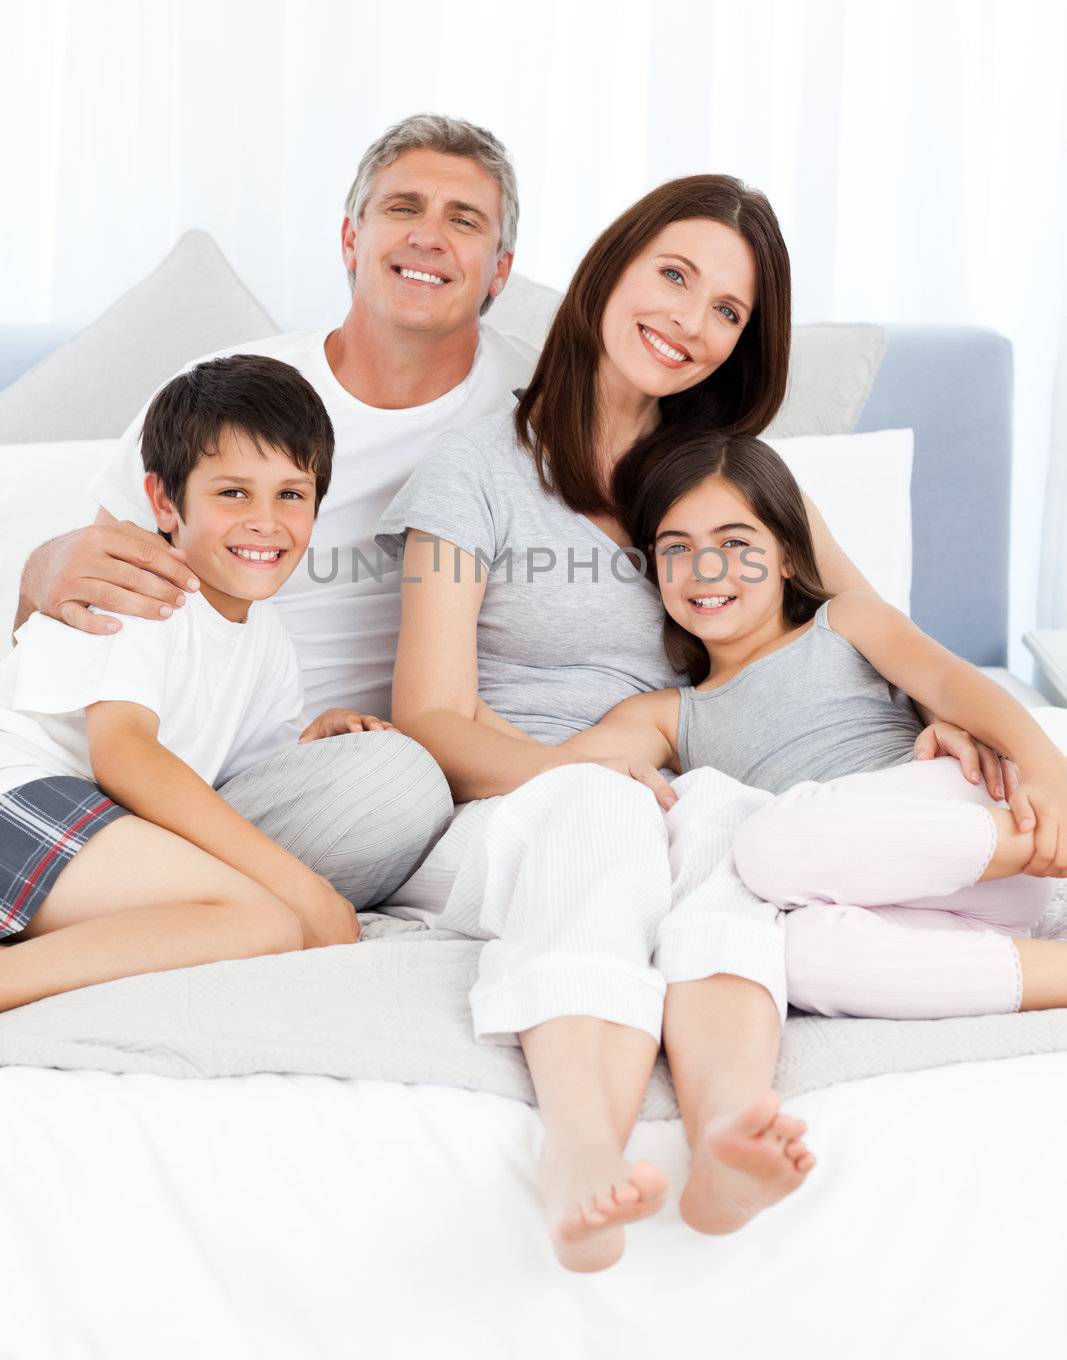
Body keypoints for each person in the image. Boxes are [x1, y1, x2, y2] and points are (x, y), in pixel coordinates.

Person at [368, 173, 1010, 1273]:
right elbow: (427, 714)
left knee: (729, 823)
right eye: (674, 274)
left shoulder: (723, 478)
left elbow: (858, 623)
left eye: (728, 311)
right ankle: (578, 1152)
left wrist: (940, 726)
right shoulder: (472, 467)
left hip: (681, 787)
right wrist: (584, 776)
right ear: (608, 270)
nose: (692, 321)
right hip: (512, 801)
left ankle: (725, 1135)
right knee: (604, 810)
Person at [13, 115, 538, 908]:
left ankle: (190, 898)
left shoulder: (539, 413)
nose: (428, 236)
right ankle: (193, 892)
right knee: (393, 791)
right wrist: (41, 566)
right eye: (402, 208)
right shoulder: (231, 396)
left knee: (403, 787)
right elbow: (91, 611)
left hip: (304, 771)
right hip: (144, 766)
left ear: (499, 270)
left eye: (463, 220)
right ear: (349, 239)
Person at [560, 429, 1065, 1021]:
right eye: (676, 548)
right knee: (794, 955)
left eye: (736, 542)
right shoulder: (665, 715)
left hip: (966, 814)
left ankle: (1044, 842)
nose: (705, 568)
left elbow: (956, 684)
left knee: (766, 847)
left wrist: (1050, 774)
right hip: (892, 889)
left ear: (789, 557)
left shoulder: (843, 621)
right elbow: (554, 770)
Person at [0, 354, 368, 1012]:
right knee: (266, 919)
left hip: (89, 821)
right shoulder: (145, 587)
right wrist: (303, 886)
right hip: (19, 791)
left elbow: (239, 772)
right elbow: (126, 753)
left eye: (291, 494)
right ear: (165, 504)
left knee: (259, 922)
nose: (266, 520)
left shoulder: (268, 637)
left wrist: (316, 736)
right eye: (233, 492)